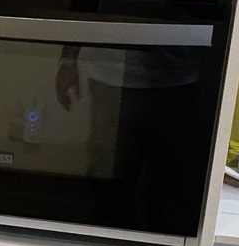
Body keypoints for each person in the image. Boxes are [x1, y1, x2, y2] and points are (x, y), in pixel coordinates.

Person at [55, 43, 212, 235]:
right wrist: (68, 60)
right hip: (112, 74)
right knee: (110, 182)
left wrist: (68, 60)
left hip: (178, 79)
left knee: (165, 189)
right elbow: (83, 19)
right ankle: (108, 244)